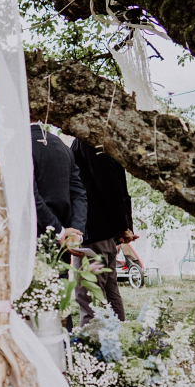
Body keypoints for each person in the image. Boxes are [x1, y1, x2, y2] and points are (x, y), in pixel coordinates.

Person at [70, 138, 134, 324]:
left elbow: (111, 184)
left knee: (89, 296)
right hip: (105, 232)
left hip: (93, 231)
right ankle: (120, 343)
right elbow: (118, 185)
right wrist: (124, 225)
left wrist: (123, 226)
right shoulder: (106, 139)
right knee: (110, 292)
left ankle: (93, 349)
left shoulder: (90, 140)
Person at [31, 122, 87, 250]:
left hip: (33, 243)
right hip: (64, 245)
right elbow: (79, 193)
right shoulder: (62, 146)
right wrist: (75, 233)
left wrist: (58, 231)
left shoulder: (18, 145)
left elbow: (30, 194)